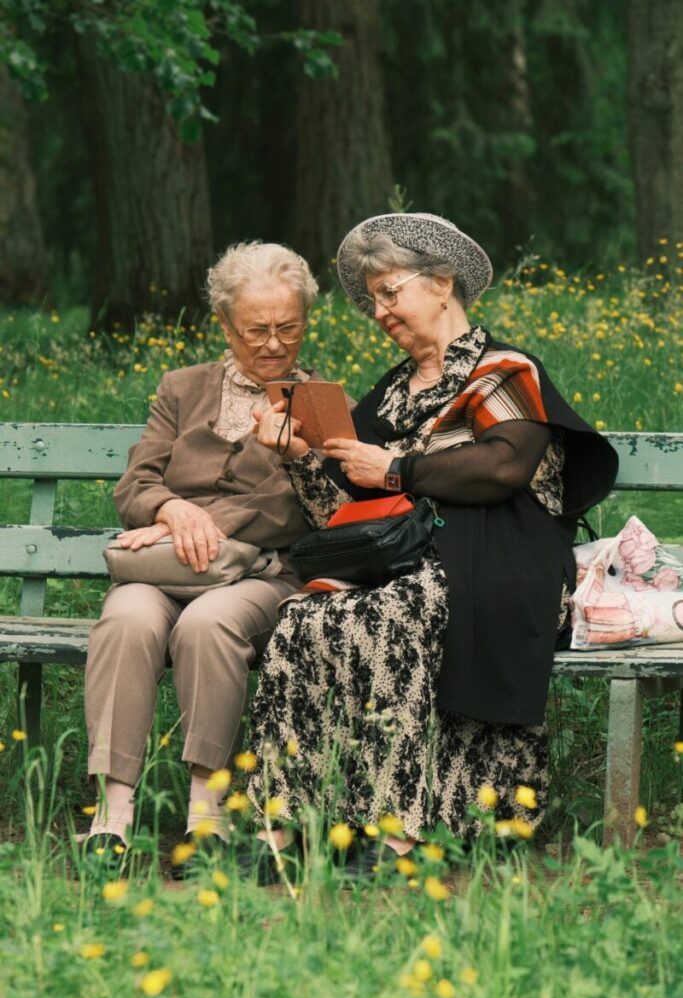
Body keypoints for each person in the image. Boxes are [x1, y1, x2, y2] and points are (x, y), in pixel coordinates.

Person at [247, 212, 618, 876]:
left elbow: (502, 468)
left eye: (390, 292)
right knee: (301, 619)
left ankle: (394, 834)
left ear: (441, 282)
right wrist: (301, 455)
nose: (380, 312)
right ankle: (289, 829)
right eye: (372, 301)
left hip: (502, 561)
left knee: (386, 614)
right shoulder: (386, 396)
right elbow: (347, 515)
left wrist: (393, 468)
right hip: (406, 562)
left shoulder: (504, 371)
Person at [84, 241, 321, 861]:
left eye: (288, 328)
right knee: (127, 616)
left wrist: (189, 524)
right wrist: (170, 509)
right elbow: (136, 485)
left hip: (263, 576)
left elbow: (287, 512)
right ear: (224, 324)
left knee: (208, 624)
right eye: (255, 330)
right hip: (166, 572)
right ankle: (113, 813)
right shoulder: (182, 388)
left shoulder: (320, 404)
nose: (273, 344)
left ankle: (205, 812)